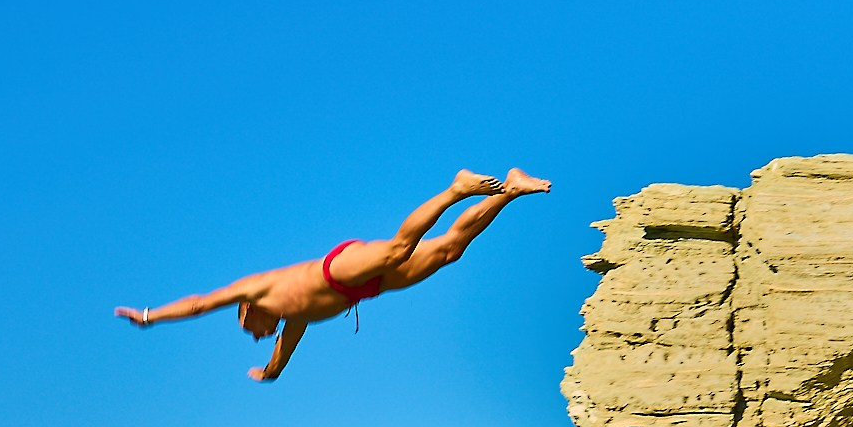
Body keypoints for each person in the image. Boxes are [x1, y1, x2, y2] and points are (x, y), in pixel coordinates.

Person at [115, 168, 550, 381]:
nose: (255, 334)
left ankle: (456, 187)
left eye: (250, 329)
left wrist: (150, 316)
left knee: (401, 247)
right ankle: (511, 188)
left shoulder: (255, 289)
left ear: (248, 309)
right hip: (368, 289)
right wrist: (271, 373)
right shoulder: (294, 316)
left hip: (337, 268)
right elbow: (285, 348)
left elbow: (198, 304)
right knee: (450, 251)